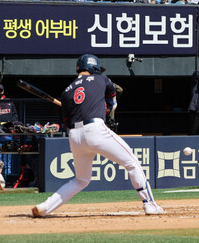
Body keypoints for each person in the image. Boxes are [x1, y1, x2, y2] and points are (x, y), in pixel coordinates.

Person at [32, 54, 164, 217]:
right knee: (132, 162)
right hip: (95, 129)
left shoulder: (66, 92)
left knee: (80, 180)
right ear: (94, 68)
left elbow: (67, 121)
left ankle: (45, 207)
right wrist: (106, 110)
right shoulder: (101, 79)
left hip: (75, 135)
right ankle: (149, 204)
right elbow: (112, 104)